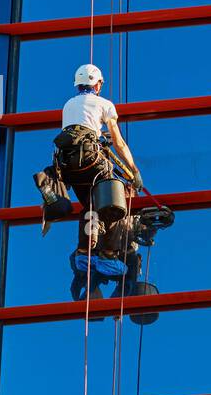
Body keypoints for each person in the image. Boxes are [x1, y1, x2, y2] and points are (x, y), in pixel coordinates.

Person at [33, 64, 145, 294]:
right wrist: (134, 170)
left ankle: (84, 254)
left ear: (78, 84)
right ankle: (107, 255)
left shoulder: (68, 105)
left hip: (68, 165)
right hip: (91, 161)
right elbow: (118, 142)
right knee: (116, 198)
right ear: (98, 84)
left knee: (90, 205)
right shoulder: (104, 104)